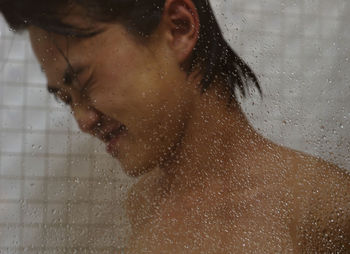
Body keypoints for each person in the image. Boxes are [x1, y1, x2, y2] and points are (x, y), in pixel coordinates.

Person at [1, 0, 349, 252]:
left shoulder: (325, 207)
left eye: (84, 82)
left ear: (178, 28)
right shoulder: (142, 204)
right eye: (65, 98)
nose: (83, 120)